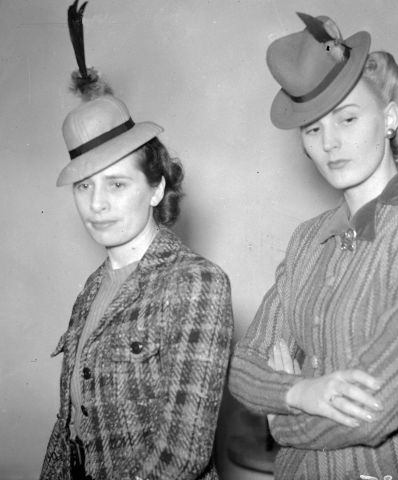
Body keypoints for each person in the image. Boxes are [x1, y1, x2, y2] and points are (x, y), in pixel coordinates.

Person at [229, 12, 398, 480]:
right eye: (313, 129)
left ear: (387, 118)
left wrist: (279, 418)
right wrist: (301, 393)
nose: (331, 144)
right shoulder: (306, 240)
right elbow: (243, 367)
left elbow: (374, 410)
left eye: (346, 118)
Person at [40, 3, 233, 479]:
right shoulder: (92, 289)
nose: (96, 204)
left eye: (117, 184)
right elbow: (70, 428)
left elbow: (182, 455)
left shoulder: (196, 283)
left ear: (157, 187)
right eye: (85, 187)